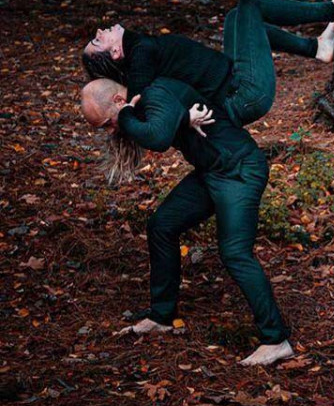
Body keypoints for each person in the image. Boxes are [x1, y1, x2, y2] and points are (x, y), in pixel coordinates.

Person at [80, 76, 292, 366]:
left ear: (119, 102)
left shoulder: (153, 97)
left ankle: (276, 339)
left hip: (238, 170)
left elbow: (159, 136)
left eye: (107, 123)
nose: (112, 130)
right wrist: (183, 119)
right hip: (211, 171)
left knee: (235, 253)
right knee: (162, 225)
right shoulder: (145, 100)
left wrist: (178, 118)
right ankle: (162, 316)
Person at [82, 0, 334, 128]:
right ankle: (333, 9)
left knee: (237, 18)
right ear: (116, 53)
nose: (98, 31)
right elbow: (141, 107)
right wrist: (183, 118)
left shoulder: (140, 51)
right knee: (250, 5)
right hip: (245, 95)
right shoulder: (140, 58)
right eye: (97, 41)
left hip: (235, 80)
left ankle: (317, 48)